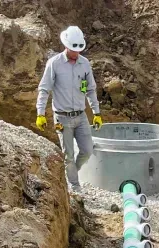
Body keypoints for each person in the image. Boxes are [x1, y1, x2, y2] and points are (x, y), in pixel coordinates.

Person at [36, 26, 104, 194]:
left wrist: (96, 113)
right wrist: (40, 113)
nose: (76, 53)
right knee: (68, 156)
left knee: (87, 150)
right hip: (62, 117)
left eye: (78, 49)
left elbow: (90, 90)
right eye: (73, 49)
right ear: (66, 46)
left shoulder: (85, 64)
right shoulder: (55, 64)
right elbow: (44, 89)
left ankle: (72, 173)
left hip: (81, 116)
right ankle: (74, 186)